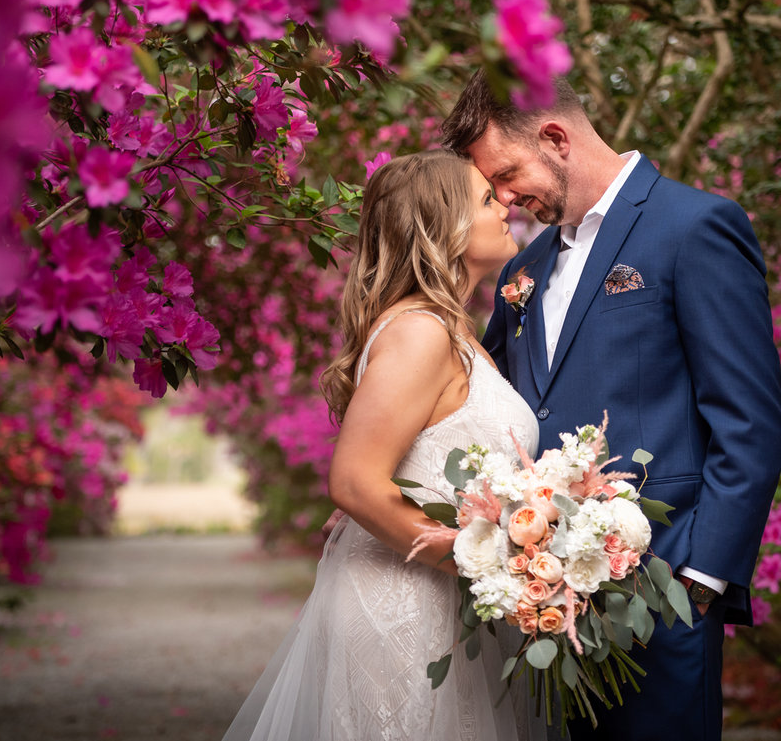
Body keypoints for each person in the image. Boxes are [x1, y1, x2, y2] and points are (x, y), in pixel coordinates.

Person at [442, 71, 781, 741]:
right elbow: (476, 387)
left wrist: (699, 581)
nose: (505, 199)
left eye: (507, 174)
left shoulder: (694, 226)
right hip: (539, 604)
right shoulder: (525, 268)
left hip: (663, 592)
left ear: (555, 137)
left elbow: (750, 423)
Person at [221, 149, 543, 741]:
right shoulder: (421, 331)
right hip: (405, 609)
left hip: (444, 604)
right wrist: (490, 571)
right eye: (486, 199)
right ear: (443, 226)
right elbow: (353, 482)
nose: (507, 206)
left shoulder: (452, 331)